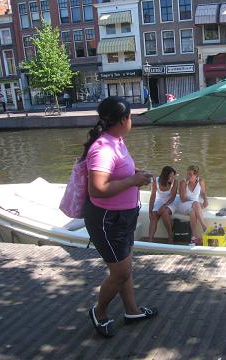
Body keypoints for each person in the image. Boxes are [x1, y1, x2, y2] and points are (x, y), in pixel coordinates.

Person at [82, 96, 157, 338]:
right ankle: (99, 312)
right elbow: (97, 189)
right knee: (120, 273)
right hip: (108, 220)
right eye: (131, 116)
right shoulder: (103, 149)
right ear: (123, 119)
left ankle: (132, 311)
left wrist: (136, 173)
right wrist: (133, 181)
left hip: (123, 217)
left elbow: (118, 172)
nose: (132, 120)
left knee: (125, 269)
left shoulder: (117, 141)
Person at [176, 164, 208, 244]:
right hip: (182, 205)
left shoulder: (200, 181)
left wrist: (205, 200)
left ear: (196, 175)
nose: (188, 176)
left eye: (190, 174)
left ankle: (193, 237)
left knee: (193, 211)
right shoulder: (183, 182)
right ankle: (204, 227)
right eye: (187, 174)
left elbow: (203, 193)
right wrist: (195, 202)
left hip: (194, 206)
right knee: (195, 204)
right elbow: (183, 199)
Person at [148, 166, 178, 243]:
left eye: (173, 176)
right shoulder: (156, 180)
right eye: (170, 176)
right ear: (165, 175)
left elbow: (172, 197)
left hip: (170, 202)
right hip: (159, 201)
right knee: (154, 215)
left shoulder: (175, 182)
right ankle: (150, 240)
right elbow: (153, 196)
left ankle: (170, 235)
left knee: (164, 212)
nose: (172, 178)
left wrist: (164, 207)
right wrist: (150, 210)